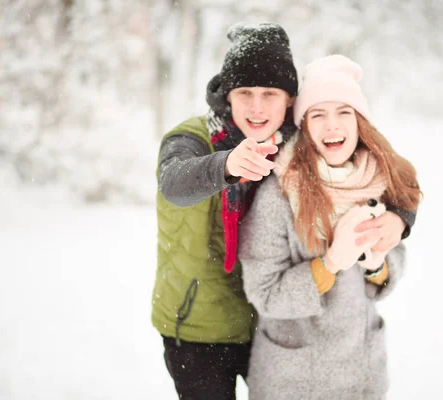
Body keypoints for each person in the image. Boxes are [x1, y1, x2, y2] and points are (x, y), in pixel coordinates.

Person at [238, 54, 422, 400]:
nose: (332, 126)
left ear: (360, 122)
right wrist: (331, 263)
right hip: (292, 381)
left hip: (362, 373)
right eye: (318, 115)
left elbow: (390, 266)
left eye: (343, 113)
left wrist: (377, 263)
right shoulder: (277, 194)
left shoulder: (378, 181)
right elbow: (264, 294)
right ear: (304, 126)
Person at [151, 22, 299, 400]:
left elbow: (372, 172)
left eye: (270, 93)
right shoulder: (193, 137)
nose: (256, 106)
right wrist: (227, 165)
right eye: (245, 92)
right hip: (197, 330)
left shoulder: (299, 148)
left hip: (269, 327)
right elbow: (175, 183)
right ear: (227, 95)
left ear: (289, 100)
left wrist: (400, 216)